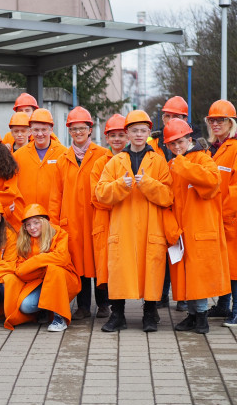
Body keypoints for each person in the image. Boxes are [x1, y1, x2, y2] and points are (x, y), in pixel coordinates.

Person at [95, 110, 174, 333]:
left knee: (151, 269)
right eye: (134, 131)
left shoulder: (158, 161)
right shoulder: (115, 162)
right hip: (123, 225)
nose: (138, 135)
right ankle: (117, 315)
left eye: (143, 131)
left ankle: (150, 314)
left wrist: (147, 184)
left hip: (151, 225)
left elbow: (169, 196)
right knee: (120, 269)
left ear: (149, 133)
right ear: (127, 134)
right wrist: (121, 185)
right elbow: (100, 193)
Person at [163, 118, 230, 334]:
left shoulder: (202, 159)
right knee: (185, 276)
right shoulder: (172, 164)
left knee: (197, 275)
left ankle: (201, 318)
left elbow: (212, 182)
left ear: (189, 139)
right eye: (172, 144)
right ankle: (192, 316)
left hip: (200, 229)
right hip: (182, 230)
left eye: (180, 142)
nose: (176, 147)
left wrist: (183, 164)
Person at [50, 106, 110, 321]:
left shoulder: (103, 155)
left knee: (99, 261)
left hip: (96, 218)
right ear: (69, 131)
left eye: (82, 128)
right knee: (79, 265)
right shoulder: (62, 159)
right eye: (74, 129)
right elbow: (55, 194)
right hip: (72, 221)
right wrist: (54, 223)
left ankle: (104, 304)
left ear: (90, 130)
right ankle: (83, 307)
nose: (78, 133)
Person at [204, 100, 237, 327]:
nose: (216, 124)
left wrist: (224, 215)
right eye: (212, 120)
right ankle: (223, 306)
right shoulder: (216, 148)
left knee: (236, 265)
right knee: (224, 263)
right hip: (219, 217)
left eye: (220, 120)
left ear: (231, 122)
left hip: (233, 217)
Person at [3, 204, 80, 331]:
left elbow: (62, 258)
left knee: (54, 270)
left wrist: (37, 261)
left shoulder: (58, 233)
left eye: (36, 223)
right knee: (26, 306)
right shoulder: (24, 240)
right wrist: (44, 266)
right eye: (28, 225)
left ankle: (59, 317)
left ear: (44, 222)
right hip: (38, 282)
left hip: (63, 280)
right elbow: (20, 270)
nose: (32, 228)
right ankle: (44, 309)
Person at [151, 96, 189, 311]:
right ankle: (161, 295)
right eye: (168, 116)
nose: (171, 119)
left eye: (176, 116)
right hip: (160, 203)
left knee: (182, 250)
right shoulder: (154, 143)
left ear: (185, 118)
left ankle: (182, 296)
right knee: (161, 251)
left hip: (183, 204)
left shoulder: (191, 143)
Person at [90, 114, 129, 312]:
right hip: (104, 219)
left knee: (122, 262)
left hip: (127, 221)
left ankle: (119, 306)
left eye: (121, 135)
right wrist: (118, 199)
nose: (117, 139)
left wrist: (111, 196)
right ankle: (104, 305)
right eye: (113, 135)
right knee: (104, 263)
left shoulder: (134, 160)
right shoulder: (99, 163)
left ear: (128, 136)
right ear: (106, 138)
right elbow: (96, 197)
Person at [14, 107, 67, 218]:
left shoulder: (63, 154)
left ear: (51, 129)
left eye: (44, 130)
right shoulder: (18, 155)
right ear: (30, 131)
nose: (40, 134)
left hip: (53, 218)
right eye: (36, 130)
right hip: (26, 219)